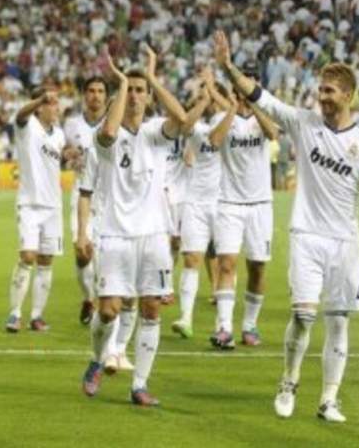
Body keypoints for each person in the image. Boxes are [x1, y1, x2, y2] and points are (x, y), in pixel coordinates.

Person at [213, 31, 359, 423]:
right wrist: (228, 66)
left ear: (348, 95)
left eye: (329, 91)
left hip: (345, 241)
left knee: (339, 320)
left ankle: (329, 398)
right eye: (320, 90)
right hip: (306, 235)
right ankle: (289, 380)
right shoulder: (304, 123)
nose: (322, 96)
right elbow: (264, 99)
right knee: (304, 315)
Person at [79, 46, 188, 407]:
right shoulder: (104, 137)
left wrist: (154, 79)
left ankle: (139, 384)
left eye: (142, 91)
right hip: (114, 233)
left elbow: (183, 119)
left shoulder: (158, 132)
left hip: (153, 234)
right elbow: (109, 131)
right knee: (108, 310)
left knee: (151, 309)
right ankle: (98, 358)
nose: (137, 96)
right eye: (132, 90)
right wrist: (122, 84)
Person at [209, 80, 278, 350]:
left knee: (258, 266)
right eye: (238, 92)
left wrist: (255, 106)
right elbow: (214, 140)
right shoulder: (223, 118)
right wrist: (231, 109)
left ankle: (249, 325)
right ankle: (224, 327)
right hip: (229, 202)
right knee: (226, 263)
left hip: (260, 204)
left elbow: (273, 134)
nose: (242, 96)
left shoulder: (264, 116)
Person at [5, 86, 72, 333]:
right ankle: (14, 314)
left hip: (53, 205)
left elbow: (57, 158)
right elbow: (20, 114)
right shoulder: (27, 126)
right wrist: (39, 99)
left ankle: (36, 316)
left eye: (56, 104)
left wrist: (69, 155)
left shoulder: (59, 134)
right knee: (28, 256)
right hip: (30, 203)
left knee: (46, 260)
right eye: (51, 103)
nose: (55, 108)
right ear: (41, 106)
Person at [169, 69, 228, 340]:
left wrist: (215, 90)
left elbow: (233, 111)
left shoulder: (232, 130)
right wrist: (203, 100)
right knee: (192, 258)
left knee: (227, 262)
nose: (213, 104)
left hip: (225, 202)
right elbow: (183, 124)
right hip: (195, 202)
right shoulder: (200, 129)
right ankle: (185, 317)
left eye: (216, 100)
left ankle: (223, 324)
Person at [62, 77, 108, 325]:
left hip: (109, 196)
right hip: (81, 193)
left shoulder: (114, 123)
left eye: (100, 91)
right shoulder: (71, 124)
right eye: (91, 91)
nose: (96, 96)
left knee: (104, 257)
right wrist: (66, 155)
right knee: (82, 253)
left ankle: (102, 305)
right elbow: (60, 156)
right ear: (84, 94)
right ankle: (89, 298)